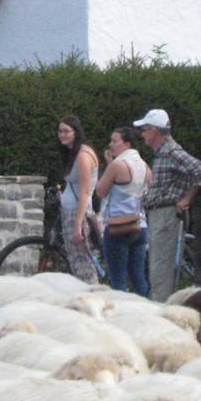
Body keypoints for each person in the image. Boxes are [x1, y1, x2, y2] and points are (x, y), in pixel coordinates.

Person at [135, 108, 201, 302]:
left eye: (144, 130)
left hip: (165, 214)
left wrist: (186, 199)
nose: (142, 134)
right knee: (157, 266)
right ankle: (160, 306)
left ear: (153, 131)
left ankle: (161, 310)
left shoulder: (171, 152)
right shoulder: (164, 152)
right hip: (159, 214)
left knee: (160, 267)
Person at [95, 126, 152, 296]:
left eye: (114, 141)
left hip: (118, 227)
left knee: (118, 280)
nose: (111, 144)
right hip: (139, 225)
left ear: (126, 144)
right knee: (138, 277)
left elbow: (100, 191)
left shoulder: (118, 164)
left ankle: (121, 316)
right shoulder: (145, 166)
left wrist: (109, 165)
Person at [55, 114, 101, 284]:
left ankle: (91, 296)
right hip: (71, 210)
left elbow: (84, 192)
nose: (62, 135)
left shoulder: (83, 156)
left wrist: (77, 224)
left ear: (76, 132)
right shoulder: (75, 153)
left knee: (83, 263)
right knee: (77, 261)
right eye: (60, 131)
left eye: (66, 131)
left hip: (78, 212)